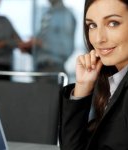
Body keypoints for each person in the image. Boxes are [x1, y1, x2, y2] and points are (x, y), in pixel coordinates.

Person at [60, 0, 128, 150]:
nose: (99, 39)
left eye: (113, 23)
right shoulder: (111, 82)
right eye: (92, 25)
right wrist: (82, 88)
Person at [19, 0, 76, 73]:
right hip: (41, 69)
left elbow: (66, 49)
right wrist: (32, 48)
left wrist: (40, 43)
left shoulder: (65, 15)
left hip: (53, 70)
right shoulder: (47, 13)